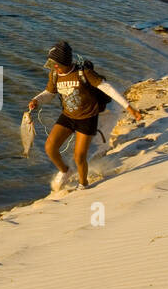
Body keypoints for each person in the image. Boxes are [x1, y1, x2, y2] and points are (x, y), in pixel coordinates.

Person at [27, 40, 143, 191]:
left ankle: (83, 185)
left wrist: (128, 107)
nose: (54, 67)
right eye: (51, 64)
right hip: (68, 116)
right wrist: (37, 100)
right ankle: (65, 171)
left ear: (65, 62)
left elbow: (107, 88)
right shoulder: (55, 74)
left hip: (87, 118)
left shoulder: (84, 73)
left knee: (79, 157)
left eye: (56, 64)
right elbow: (49, 93)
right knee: (50, 147)